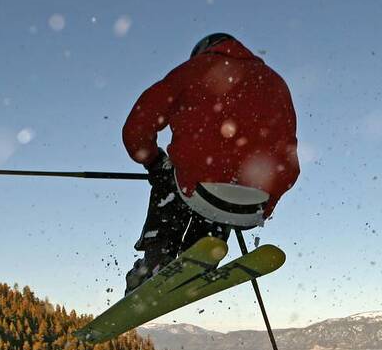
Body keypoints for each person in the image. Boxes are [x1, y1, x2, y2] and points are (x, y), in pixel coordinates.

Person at [122, 33, 300, 294]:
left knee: (171, 177)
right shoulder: (275, 82)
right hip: (253, 203)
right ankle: (201, 256)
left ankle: (157, 259)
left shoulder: (191, 71)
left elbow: (136, 129)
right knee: (216, 195)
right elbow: (289, 162)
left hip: (202, 190)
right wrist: (266, 205)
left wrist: (154, 162)